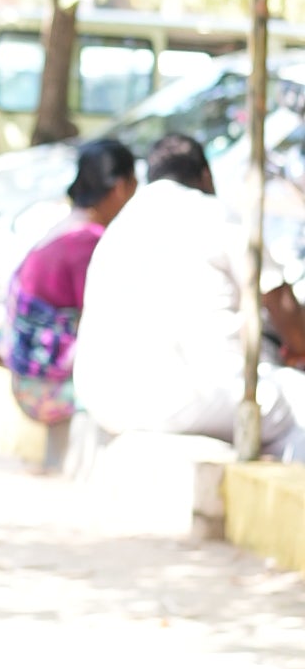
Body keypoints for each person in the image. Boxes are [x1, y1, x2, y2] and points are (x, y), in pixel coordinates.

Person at [71, 129, 305, 456]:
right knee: (296, 403)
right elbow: (284, 310)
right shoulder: (216, 213)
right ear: (205, 175)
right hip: (181, 395)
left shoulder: (121, 224)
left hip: (102, 395)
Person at [0, 137, 137, 429]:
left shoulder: (63, 228)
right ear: (121, 187)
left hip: (24, 381)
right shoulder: (87, 242)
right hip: (46, 393)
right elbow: (106, 325)